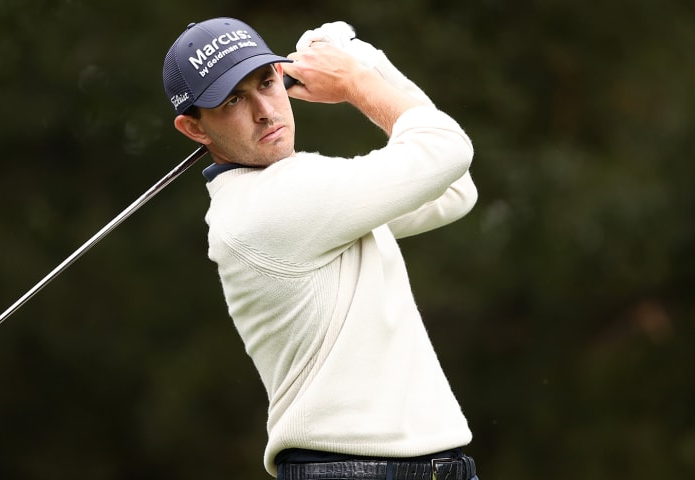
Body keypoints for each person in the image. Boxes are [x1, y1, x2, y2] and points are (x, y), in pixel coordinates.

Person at [162, 17, 480, 480]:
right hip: (355, 469)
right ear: (194, 128)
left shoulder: (301, 196)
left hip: (419, 465)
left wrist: (363, 65)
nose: (265, 111)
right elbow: (447, 151)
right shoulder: (277, 203)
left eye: (267, 83)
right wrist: (356, 75)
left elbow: (453, 188)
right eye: (233, 100)